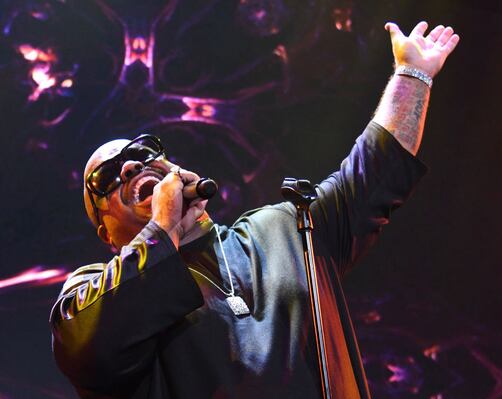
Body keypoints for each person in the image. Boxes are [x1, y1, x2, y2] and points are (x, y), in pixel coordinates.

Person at [50, 21, 459, 398]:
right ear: (106, 234)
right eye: (105, 179)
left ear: (180, 170)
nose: (129, 165)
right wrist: (161, 228)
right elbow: (87, 348)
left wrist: (413, 75)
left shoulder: (284, 227)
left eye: (145, 151)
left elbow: (376, 168)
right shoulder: (89, 292)